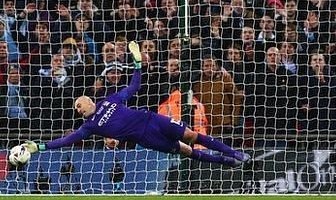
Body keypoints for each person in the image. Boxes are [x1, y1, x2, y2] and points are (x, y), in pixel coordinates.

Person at [21, 41, 250, 167]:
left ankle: (235, 153)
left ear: (90, 100)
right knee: (186, 151)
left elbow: (133, 88)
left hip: (151, 119)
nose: (78, 108)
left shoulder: (109, 100)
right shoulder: (89, 126)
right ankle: (226, 162)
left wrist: (138, 64)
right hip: (146, 138)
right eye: (76, 109)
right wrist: (40, 147)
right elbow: (66, 140)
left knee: (190, 135)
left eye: (79, 104)